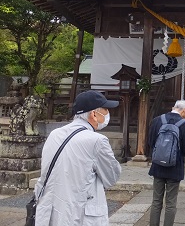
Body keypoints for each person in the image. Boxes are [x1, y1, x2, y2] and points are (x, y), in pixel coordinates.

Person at [34, 90, 122, 226]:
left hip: (50, 213)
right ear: (93, 114)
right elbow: (111, 177)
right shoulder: (97, 141)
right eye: (105, 110)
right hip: (80, 215)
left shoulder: (54, 134)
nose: (107, 113)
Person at [148, 100, 185, 226]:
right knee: (171, 203)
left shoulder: (157, 120)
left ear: (173, 107)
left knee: (156, 201)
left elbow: (151, 142)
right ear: (184, 110)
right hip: (175, 167)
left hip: (157, 166)